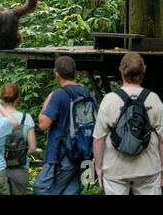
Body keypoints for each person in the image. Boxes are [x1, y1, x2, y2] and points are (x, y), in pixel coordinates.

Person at [93, 53, 163, 195]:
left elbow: (98, 139)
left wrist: (99, 167)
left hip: (115, 170)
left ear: (121, 71)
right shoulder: (154, 99)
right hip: (148, 169)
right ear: (143, 72)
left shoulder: (109, 100)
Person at [34, 56, 89, 195]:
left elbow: (43, 124)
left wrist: (48, 101)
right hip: (80, 151)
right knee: (70, 190)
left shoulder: (58, 94)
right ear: (75, 72)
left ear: (56, 74)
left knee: (41, 188)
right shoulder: (86, 93)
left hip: (60, 154)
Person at [0, 83, 36, 195]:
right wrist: (20, 153)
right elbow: (33, 148)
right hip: (20, 169)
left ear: (1, 98)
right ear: (18, 97)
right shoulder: (26, 118)